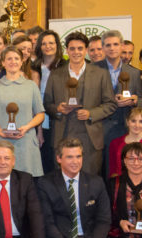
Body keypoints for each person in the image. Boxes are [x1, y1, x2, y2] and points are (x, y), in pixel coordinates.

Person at [43, 31, 116, 176]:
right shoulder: (55, 74)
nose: (76, 52)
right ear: (66, 50)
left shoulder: (100, 74)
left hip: (90, 138)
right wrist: (58, 109)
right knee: (63, 181)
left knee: (90, 181)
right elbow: (47, 103)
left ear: (86, 50)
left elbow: (110, 104)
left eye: (80, 48)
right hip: (62, 135)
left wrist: (91, 114)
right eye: (72, 48)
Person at [0, 47, 45, 177]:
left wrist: (27, 127)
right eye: (9, 59)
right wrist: (0, 132)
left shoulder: (31, 86)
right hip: (2, 141)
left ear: (22, 62)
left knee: (27, 184)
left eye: (16, 58)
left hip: (26, 141)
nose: (13, 62)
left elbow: (40, 114)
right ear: (3, 63)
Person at [95, 30, 142, 165]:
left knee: (121, 171)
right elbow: (89, 100)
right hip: (100, 129)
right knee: (102, 171)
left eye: (116, 44)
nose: (112, 48)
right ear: (103, 47)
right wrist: (112, 102)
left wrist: (134, 101)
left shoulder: (134, 73)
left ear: (122, 46)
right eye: (108, 45)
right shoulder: (92, 69)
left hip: (125, 129)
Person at [32, 29, 66, 174]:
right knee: (43, 158)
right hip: (39, 117)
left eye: (51, 43)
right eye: (44, 43)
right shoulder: (34, 67)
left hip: (60, 117)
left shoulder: (65, 66)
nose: (48, 46)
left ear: (57, 45)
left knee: (57, 158)